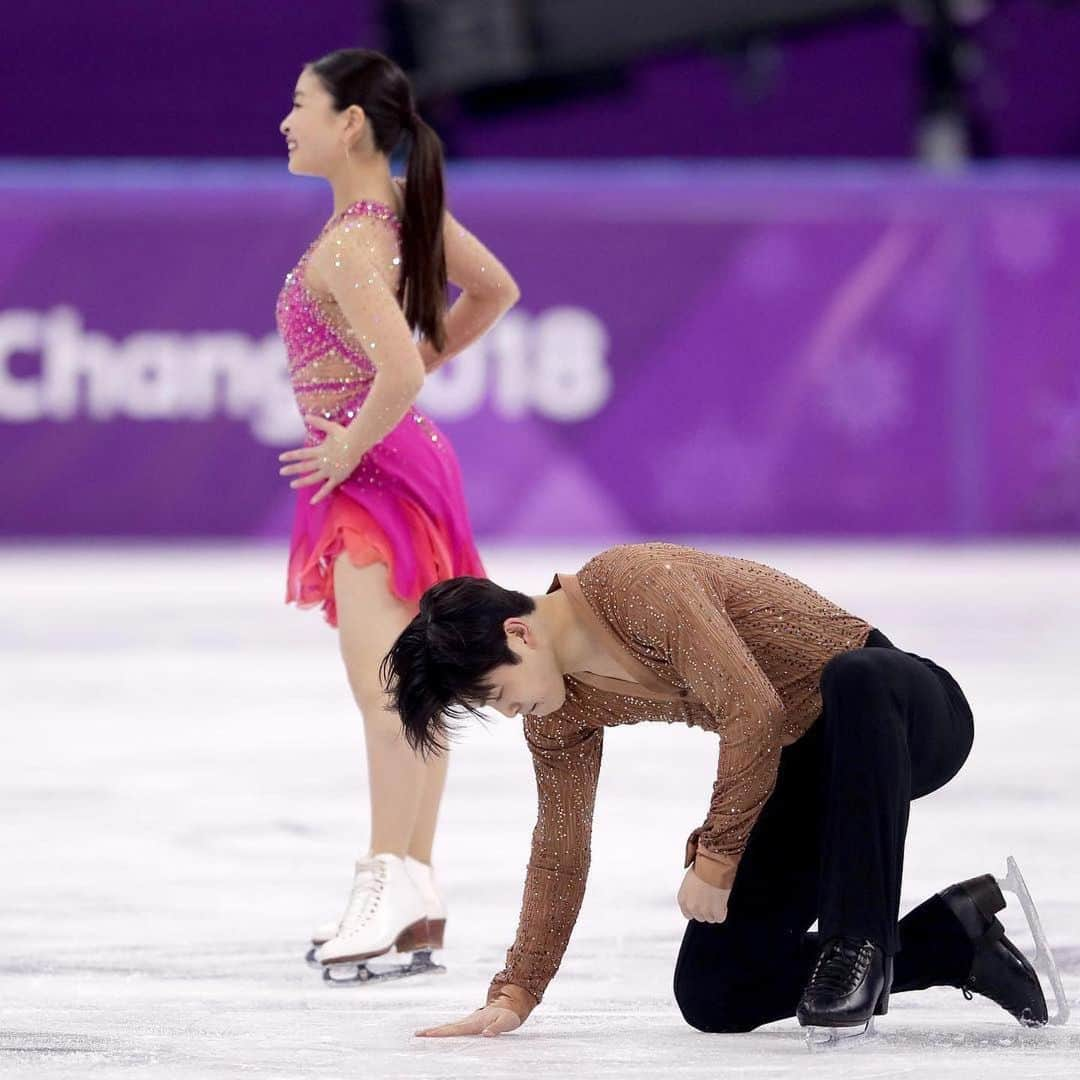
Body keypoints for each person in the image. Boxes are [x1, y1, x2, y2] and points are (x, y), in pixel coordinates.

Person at [380, 542, 1048, 1035]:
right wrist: (516, 992)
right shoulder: (562, 713)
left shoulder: (635, 585)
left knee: (855, 676)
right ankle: (954, 942)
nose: (506, 712)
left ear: (518, 633)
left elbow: (752, 709)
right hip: (801, 767)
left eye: (497, 694)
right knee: (714, 990)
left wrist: (718, 856)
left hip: (901, 722)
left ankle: (858, 943)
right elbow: (561, 846)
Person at [274, 47, 519, 972]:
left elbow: (404, 366)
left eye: (301, 106)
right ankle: (414, 886)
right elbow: (496, 291)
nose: (286, 123)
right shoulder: (405, 218)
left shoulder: (348, 243)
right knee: (412, 687)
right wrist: (404, 394)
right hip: (408, 462)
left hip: (372, 476)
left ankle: (389, 880)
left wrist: (347, 440)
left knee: (385, 691)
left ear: (349, 125)